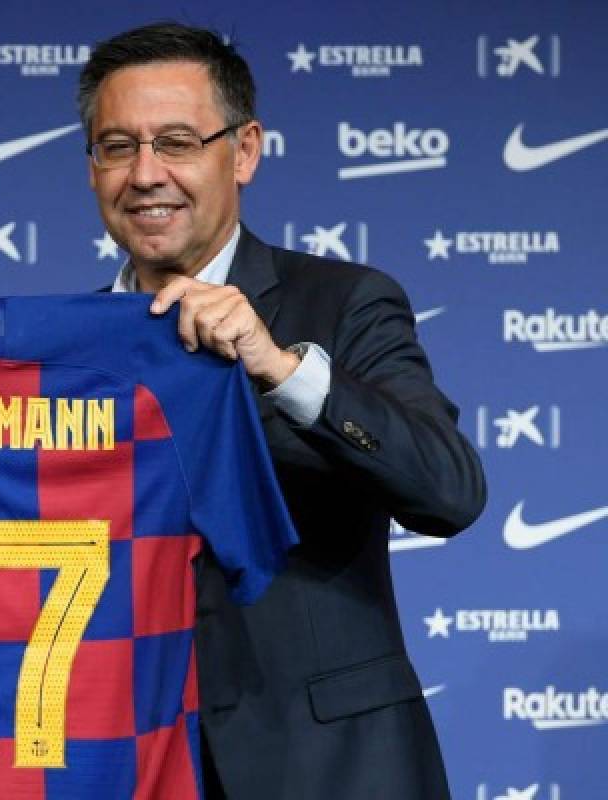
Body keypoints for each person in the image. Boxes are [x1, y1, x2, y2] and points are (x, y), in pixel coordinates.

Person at [78, 23, 486, 799]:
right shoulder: (66, 352)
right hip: (128, 762)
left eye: (176, 141)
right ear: (92, 167)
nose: (146, 174)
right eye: (117, 147)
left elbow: (451, 490)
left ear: (246, 150)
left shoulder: (345, 303)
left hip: (331, 768)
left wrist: (281, 368)